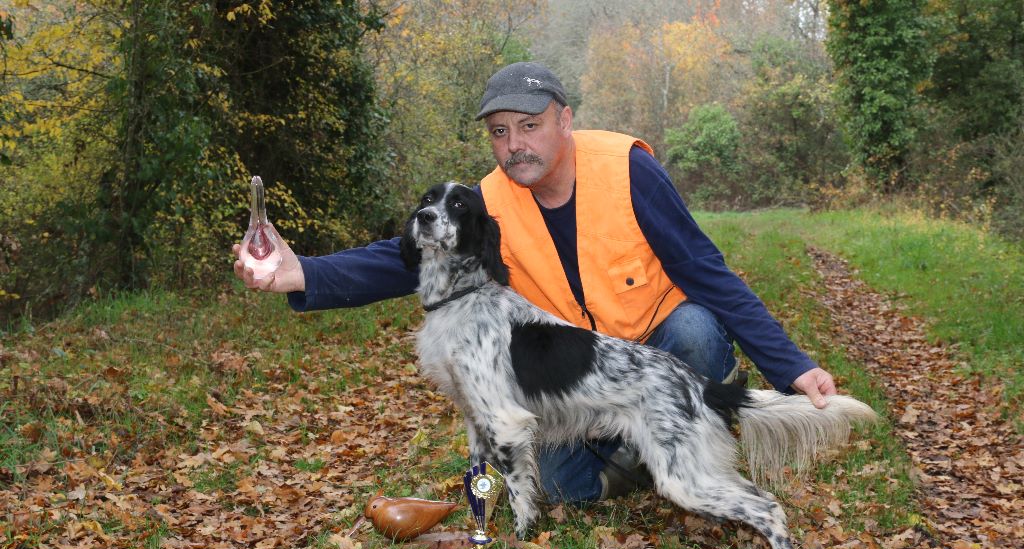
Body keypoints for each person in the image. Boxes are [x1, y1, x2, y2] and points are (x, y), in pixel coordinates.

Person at [233, 61, 838, 504]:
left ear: (565, 119)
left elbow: (707, 270)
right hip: (575, 378)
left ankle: (696, 424)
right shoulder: (487, 203)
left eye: (529, 125)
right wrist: (301, 271)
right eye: (500, 132)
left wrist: (791, 366)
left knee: (698, 329)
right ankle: (630, 454)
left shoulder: (629, 170)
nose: (515, 146)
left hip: (660, 347)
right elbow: (398, 261)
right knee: (557, 488)